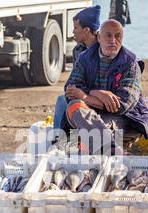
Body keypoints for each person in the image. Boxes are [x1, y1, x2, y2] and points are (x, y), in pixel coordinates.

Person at [63, 19, 148, 155]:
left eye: (118, 36)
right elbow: (70, 91)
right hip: (86, 113)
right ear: (99, 37)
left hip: (122, 117)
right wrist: (96, 94)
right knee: (74, 105)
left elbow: (121, 105)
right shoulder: (84, 58)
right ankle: (110, 150)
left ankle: (104, 152)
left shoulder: (131, 63)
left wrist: (84, 96)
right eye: (108, 35)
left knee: (95, 130)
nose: (113, 40)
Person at [52, 5, 101, 137]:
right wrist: (72, 89)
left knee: (63, 102)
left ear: (87, 30)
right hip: (81, 95)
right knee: (64, 99)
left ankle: (60, 145)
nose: (73, 32)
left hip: (97, 98)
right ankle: (64, 147)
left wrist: (82, 93)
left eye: (75, 28)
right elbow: (75, 79)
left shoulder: (102, 50)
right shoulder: (78, 50)